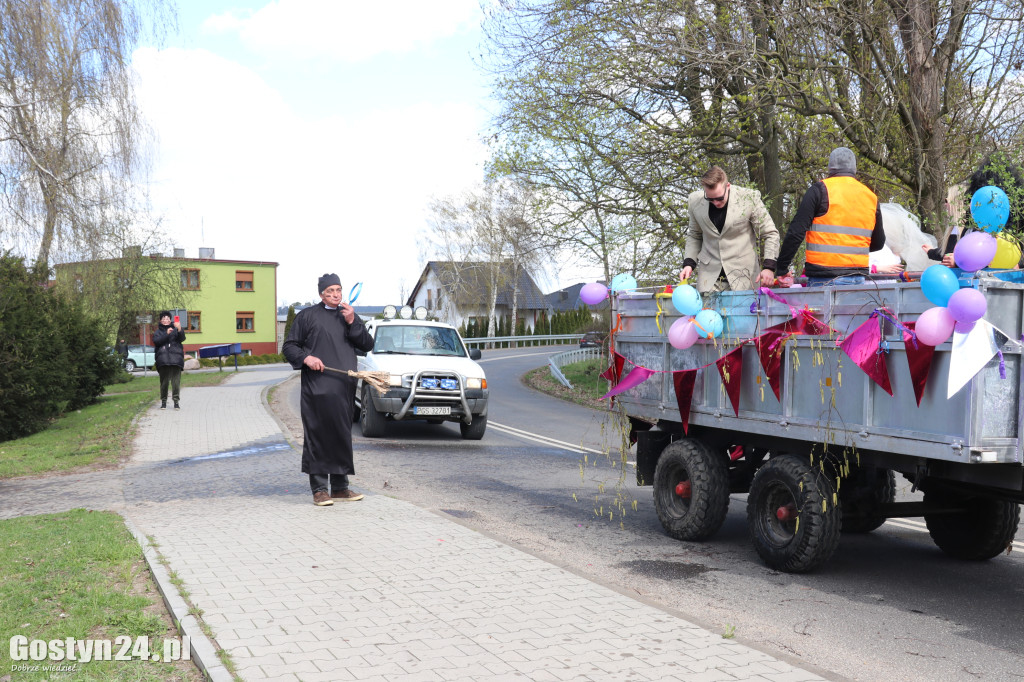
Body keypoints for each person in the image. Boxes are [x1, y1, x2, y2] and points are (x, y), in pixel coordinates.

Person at [283, 273, 375, 507]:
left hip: (344, 387)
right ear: (321, 294)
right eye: (330, 291)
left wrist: (353, 322)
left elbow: (367, 344)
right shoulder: (307, 316)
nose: (335, 295)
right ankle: (320, 490)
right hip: (318, 387)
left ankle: (341, 488)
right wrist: (306, 358)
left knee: (341, 435)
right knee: (319, 435)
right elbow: (289, 346)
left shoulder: (349, 316)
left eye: (338, 290)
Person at [775, 147, 886, 286]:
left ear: (830, 168)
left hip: (824, 278)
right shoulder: (871, 197)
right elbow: (879, 242)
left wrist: (782, 268)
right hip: (858, 279)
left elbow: (796, 232)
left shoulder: (819, 190)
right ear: (854, 169)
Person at [679, 166, 780, 294]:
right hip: (709, 278)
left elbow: (770, 233)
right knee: (705, 313)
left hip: (744, 277)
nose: (715, 203)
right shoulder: (694, 201)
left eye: (719, 198)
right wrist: (689, 263)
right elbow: (694, 235)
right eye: (710, 199)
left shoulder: (749, 198)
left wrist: (769, 267)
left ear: (728, 186)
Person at [153, 312, 186, 409]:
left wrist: (179, 328)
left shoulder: (175, 330)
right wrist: (167, 334)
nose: (165, 320)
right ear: (160, 320)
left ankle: (176, 402)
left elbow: (182, 338)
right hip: (163, 360)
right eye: (163, 318)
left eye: (167, 318)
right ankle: (163, 401)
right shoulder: (157, 332)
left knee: (176, 382)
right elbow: (157, 342)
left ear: (170, 320)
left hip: (176, 360)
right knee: (164, 383)